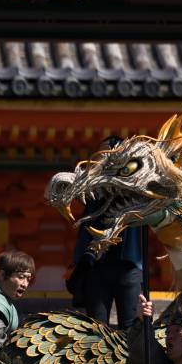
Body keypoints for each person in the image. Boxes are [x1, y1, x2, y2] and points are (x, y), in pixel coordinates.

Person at [69, 139, 143, 330]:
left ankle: (129, 360)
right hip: (96, 265)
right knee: (96, 327)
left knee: (130, 325)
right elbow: (74, 192)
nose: (105, 158)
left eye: (110, 153)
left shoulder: (135, 179)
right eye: (102, 154)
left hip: (128, 264)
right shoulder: (92, 183)